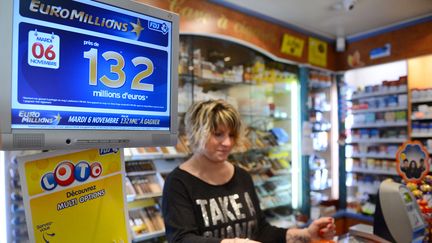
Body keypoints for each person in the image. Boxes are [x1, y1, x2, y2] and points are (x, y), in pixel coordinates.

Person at [162, 99, 336, 243]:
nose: (227, 143)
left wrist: (306, 234)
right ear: (197, 133)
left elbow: (260, 230)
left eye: (231, 135)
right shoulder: (178, 183)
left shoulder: (242, 176)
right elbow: (181, 239)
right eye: (218, 134)